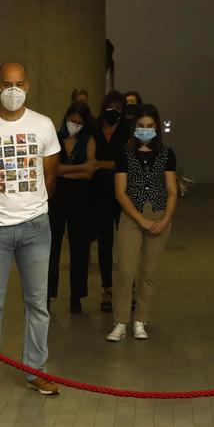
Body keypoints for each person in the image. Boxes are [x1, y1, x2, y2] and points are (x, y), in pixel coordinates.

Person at [0, 61, 61, 397]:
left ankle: (36, 371)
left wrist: (33, 207)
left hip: (36, 228)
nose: (13, 90)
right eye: (7, 84)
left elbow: (50, 175)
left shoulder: (43, 125)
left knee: (37, 304)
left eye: (19, 84)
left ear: (27, 85)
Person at [110, 105, 178, 342]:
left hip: (159, 216)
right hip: (132, 217)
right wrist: (140, 220)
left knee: (148, 272)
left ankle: (141, 320)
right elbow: (120, 192)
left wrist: (165, 220)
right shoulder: (124, 154)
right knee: (126, 270)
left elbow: (171, 190)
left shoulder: (167, 154)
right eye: (141, 126)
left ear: (157, 127)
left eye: (150, 126)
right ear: (134, 127)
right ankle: (120, 321)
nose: (145, 130)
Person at [47, 102, 100, 313]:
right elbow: (53, 169)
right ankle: (48, 294)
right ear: (66, 118)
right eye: (72, 120)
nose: (74, 125)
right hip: (56, 197)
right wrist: (79, 168)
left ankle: (76, 296)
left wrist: (64, 171)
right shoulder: (56, 139)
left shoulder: (89, 141)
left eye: (79, 122)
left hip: (81, 198)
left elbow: (90, 172)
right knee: (52, 247)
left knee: (80, 248)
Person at [94, 95, 131, 312]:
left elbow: (126, 161)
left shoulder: (127, 129)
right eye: (110, 107)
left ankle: (129, 288)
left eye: (118, 108)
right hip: (99, 193)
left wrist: (100, 163)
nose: (113, 111)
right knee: (104, 243)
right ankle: (106, 288)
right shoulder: (95, 128)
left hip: (123, 193)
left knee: (126, 243)